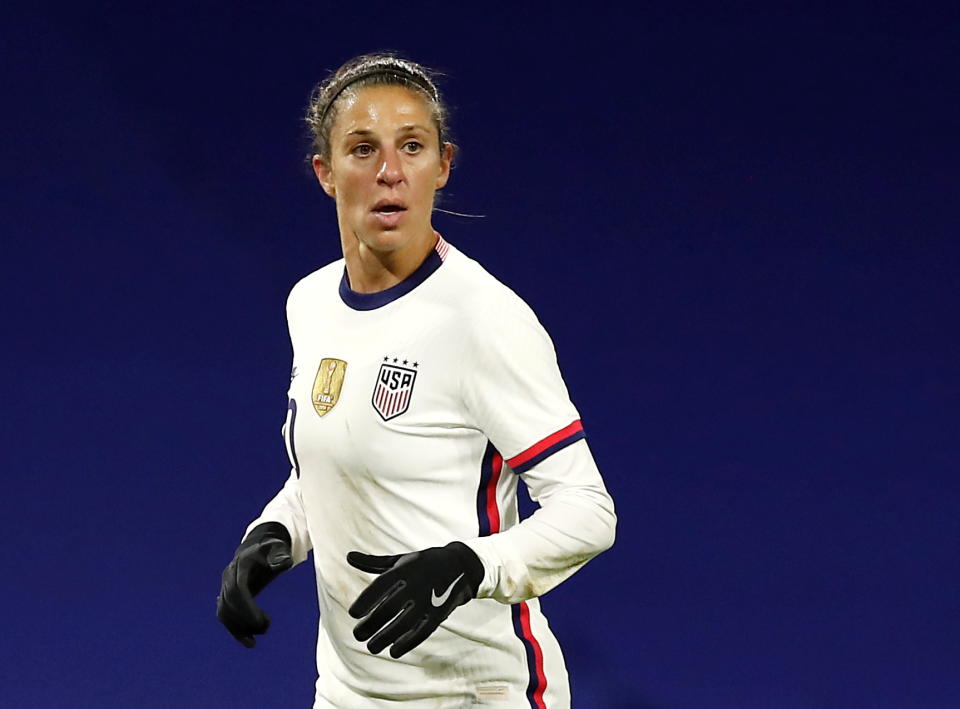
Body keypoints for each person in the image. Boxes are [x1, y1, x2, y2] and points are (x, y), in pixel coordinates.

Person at [216, 52, 617, 708]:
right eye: (362, 149)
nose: (390, 173)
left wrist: (469, 564)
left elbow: (589, 511)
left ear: (443, 165)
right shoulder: (311, 303)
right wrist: (275, 535)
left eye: (411, 147)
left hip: (481, 692)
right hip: (349, 693)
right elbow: (333, 461)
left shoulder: (483, 319)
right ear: (324, 172)